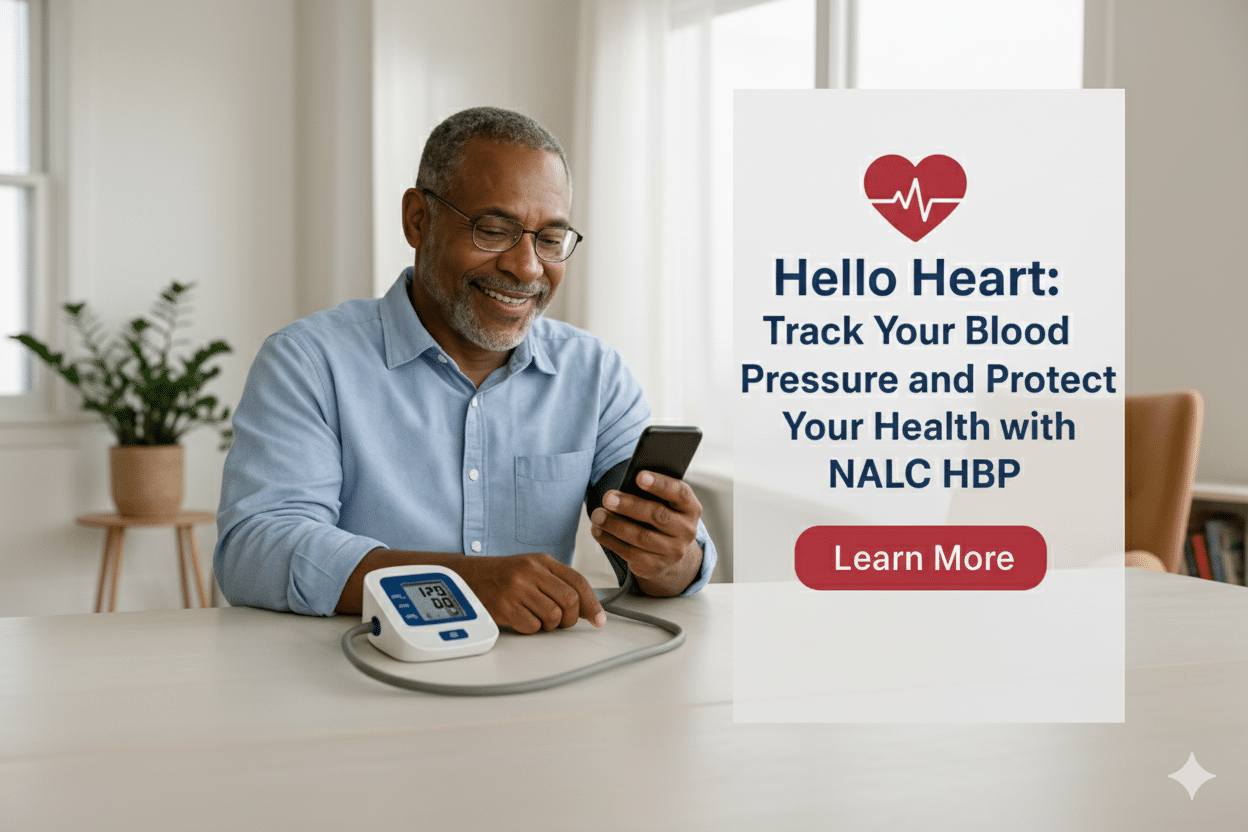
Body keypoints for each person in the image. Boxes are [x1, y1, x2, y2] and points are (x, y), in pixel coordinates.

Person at [214, 106, 716, 633]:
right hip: (355, 684)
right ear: (417, 220)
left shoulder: (595, 375)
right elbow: (257, 549)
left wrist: (668, 555)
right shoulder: (308, 362)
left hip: (539, 689)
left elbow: (670, 569)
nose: (526, 268)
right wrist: (463, 583)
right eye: (494, 230)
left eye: (549, 239)